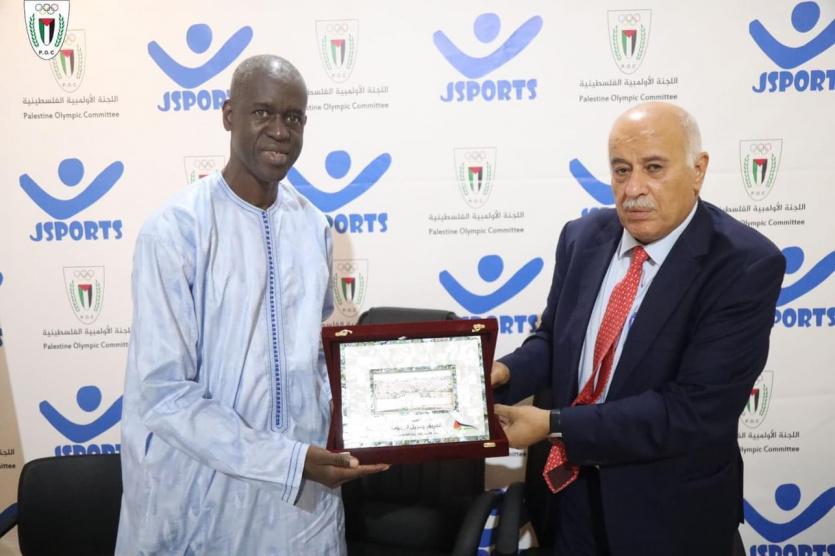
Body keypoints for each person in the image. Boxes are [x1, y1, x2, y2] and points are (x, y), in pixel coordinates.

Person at [116, 55, 387, 555]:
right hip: (203, 499)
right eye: (263, 113)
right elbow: (164, 394)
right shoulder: (175, 230)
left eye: (293, 118)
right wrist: (287, 461)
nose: (280, 131)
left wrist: (377, 421)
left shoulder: (313, 226)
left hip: (300, 506)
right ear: (228, 115)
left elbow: (312, 364)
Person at [492, 102, 785, 556]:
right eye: (621, 170)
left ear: (698, 170)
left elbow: (693, 410)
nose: (633, 189)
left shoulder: (744, 264)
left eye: (654, 168)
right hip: (568, 498)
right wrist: (504, 373)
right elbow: (555, 341)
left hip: (666, 514)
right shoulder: (581, 237)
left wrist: (555, 424)